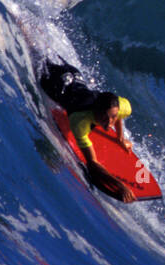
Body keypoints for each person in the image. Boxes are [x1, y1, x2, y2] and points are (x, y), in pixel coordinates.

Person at [39, 60, 136, 203]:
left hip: (75, 75)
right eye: (105, 117)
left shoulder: (121, 106)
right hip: (55, 83)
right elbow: (92, 163)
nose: (110, 122)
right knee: (39, 58)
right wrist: (120, 186)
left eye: (113, 117)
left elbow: (118, 115)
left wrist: (120, 138)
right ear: (96, 111)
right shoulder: (80, 121)